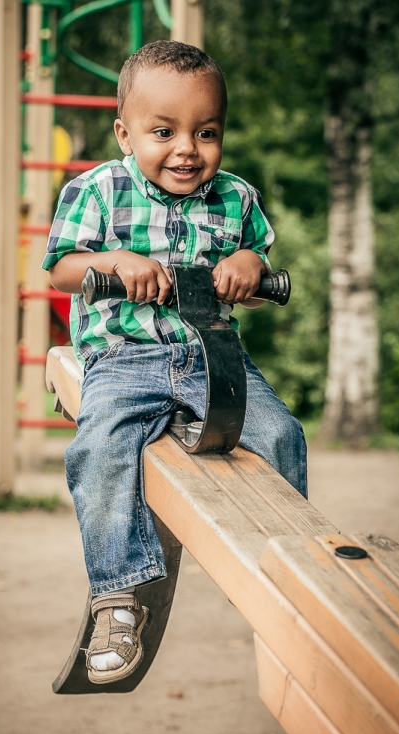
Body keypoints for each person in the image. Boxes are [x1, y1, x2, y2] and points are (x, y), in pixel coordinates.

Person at [43, 40, 307, 685]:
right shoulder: (96, 190)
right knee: (101, 447)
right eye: (163, 131)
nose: (187, 148)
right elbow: (60, 269)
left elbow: (256, 257)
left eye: (206, 132)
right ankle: (118, 593)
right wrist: (113, 263)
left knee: (279, 433)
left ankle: (288, 575)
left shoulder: (236, 196)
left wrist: (250, 267)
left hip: (210, 354)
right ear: (124, 132)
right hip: (125, 357)